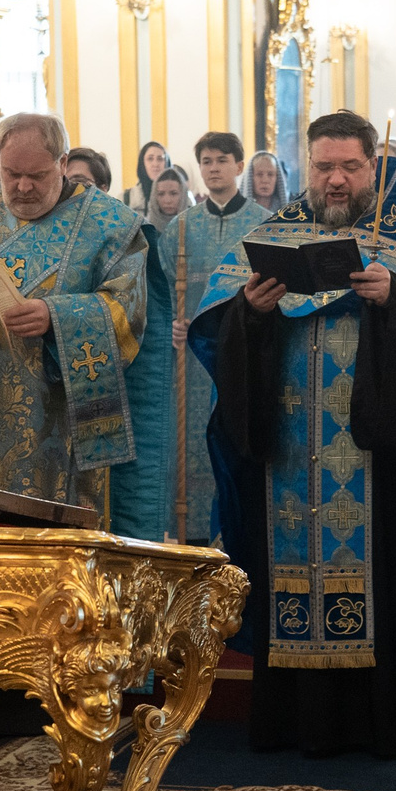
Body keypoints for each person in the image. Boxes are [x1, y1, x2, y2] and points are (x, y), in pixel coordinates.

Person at [194, 111, 396, 758]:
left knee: (376, 589)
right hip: (286, 460)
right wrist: (249, 312)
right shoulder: (274, 233)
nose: (335, 180)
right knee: (288, 590)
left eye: (350, 167)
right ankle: (288, 722)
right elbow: (217, 322)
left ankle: (380, 722)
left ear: (374, 166)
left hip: (373, 461)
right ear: (306, 166)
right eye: (324, 166)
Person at [0, 111, 172, 537]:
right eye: (11, 174)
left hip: (64, 421)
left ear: (63, 163)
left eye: (36, 175)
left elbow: (129, 309)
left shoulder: (111, 225)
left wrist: (57, 315)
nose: (22, 186)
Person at [167, 132, 269, 545]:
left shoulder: (264, 224)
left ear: (239, 167)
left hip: (245, 354)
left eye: (221, 160)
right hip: (190, 360)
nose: (213, 168)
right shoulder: (180, 228)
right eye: (206, 161)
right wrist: (168, 324)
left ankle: (242, 531)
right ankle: (193, 541)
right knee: (192, 442)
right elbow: (158, 296)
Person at [125, 140, 176, 211]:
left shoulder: (183, 198)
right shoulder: (127, 199)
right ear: (142, 163)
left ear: (167, 163)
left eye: (160, 159)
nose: (155, 164)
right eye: (150, 158)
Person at [145, 169, 190, 240]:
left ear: (183, 195)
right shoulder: (144, 232)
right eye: (161, 194)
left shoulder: (195, 229)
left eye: (173, 193)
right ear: (154, 196)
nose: (167, 200)